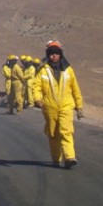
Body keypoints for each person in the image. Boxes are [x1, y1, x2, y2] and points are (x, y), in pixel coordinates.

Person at [33, 40, 85, 169]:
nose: (53, 56)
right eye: (51, 53)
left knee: (66, 131)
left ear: (60, 54)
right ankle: (56, 158)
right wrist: (37, 99)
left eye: (56, 53)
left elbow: (75, 89)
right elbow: (36, 86)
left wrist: (79, 106)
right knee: (53, 134)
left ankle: (69, 157)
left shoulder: (68, 70)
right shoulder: (43, 70)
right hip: (49, 107)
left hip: (66, 106)